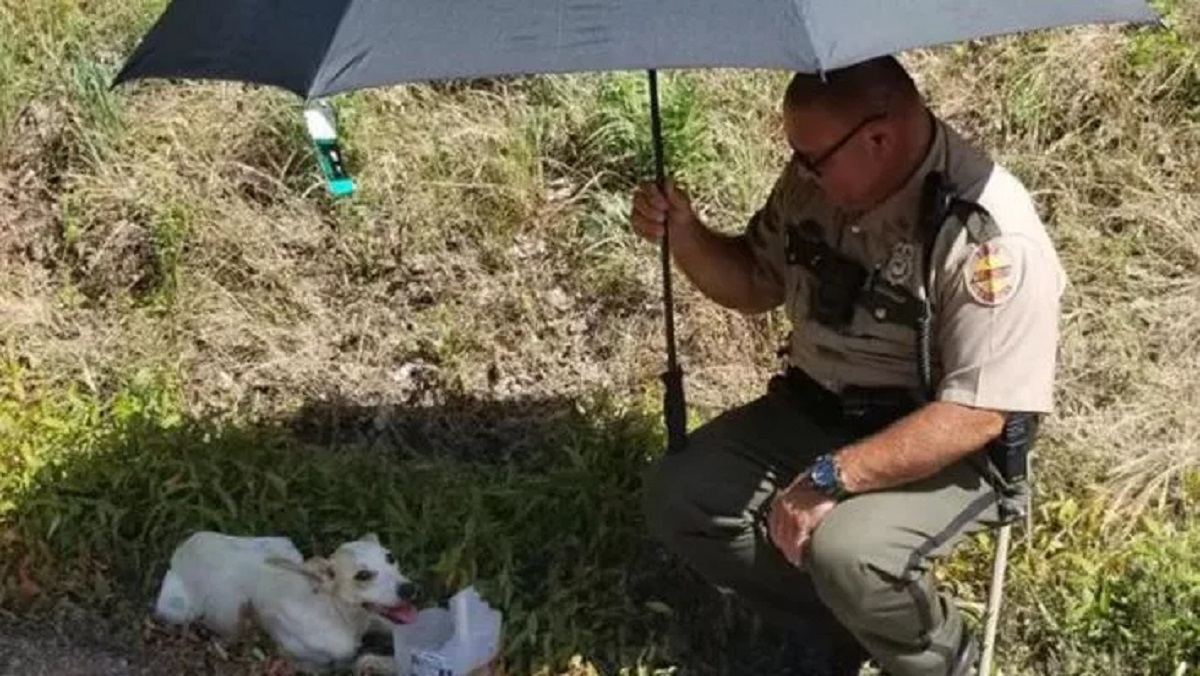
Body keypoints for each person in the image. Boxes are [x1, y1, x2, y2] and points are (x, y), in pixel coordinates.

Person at [632, 56, 1066, 676]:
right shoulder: (819, 181)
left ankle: (941, 659)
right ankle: (838, 626)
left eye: (812, 158)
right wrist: (684, 233)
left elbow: (977, 414)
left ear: (878, 138)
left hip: (942, 441)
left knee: (850, 552)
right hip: (815, 407)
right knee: (684, 496)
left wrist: (833, 477)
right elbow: (756, 282)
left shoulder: (988, 234)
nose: (800, 171)